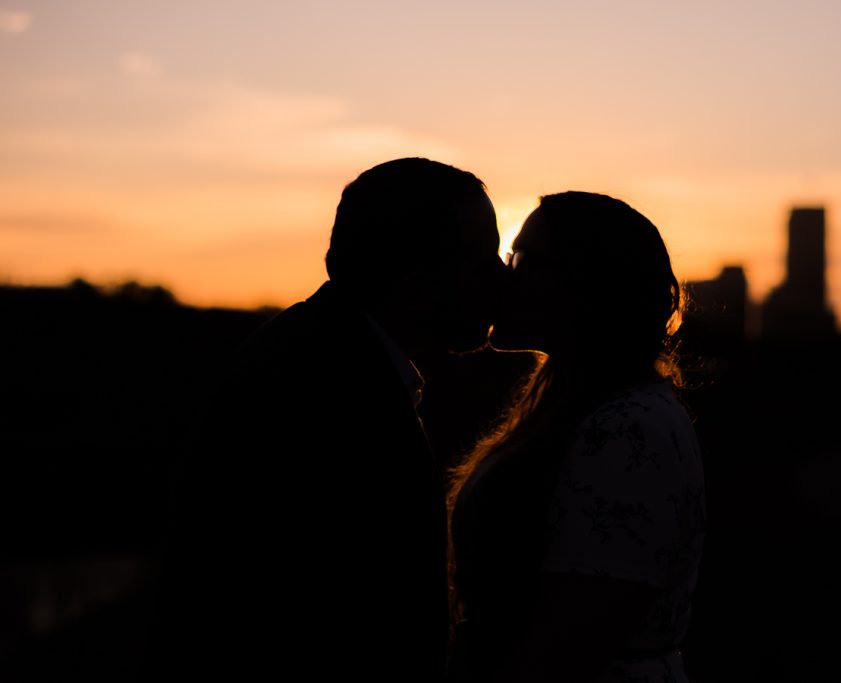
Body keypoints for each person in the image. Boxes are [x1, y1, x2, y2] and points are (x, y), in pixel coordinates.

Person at [148, 158, 506, 681]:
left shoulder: (332, 357)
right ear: (414, 266)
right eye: (481, 257)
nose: (500, 278)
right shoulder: (319, 383)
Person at [446, 191, 706, 683]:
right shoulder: (573, 405)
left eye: (520, 259)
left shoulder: (629, 428)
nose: (504, 275)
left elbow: (577, 637)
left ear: (585, 284)